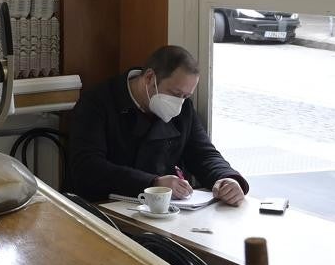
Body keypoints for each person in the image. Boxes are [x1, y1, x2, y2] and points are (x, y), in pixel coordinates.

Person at [69, 45, 248, 206]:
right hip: (104, 206)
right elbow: (87, 167)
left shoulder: (183, 109)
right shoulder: (98, 103)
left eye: (186, 96)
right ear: (149, 78)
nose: (179, 102)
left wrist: (226, 178)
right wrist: (153, 183)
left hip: (164, 210)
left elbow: (203, 153)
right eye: (175, 93)